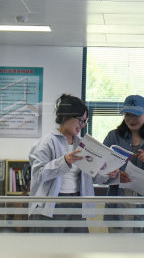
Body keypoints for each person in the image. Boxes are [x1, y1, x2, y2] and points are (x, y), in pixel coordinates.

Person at [29, 94, 121, 232]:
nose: (82, 125)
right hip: (52, 205)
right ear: (66, 116)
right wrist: (65, 161)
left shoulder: (82, 144)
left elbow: (91, 176)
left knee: (79, 244)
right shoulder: (46, 143)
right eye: (80, 120)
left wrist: (108, 174)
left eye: (85, 121)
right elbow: (38, 175)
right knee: (50, 245)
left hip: (77, 202)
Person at [103, 95, 144, 232]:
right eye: (128, 115)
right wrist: (115, 174)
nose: (131, 119)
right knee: (117, 244)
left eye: (136, 115)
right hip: (118, 202)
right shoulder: (113, 137)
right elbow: (101, 168)